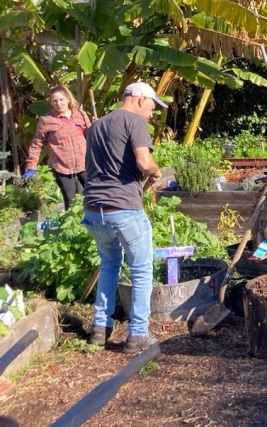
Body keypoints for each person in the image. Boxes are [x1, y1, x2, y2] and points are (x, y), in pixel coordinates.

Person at [83, 82, 165, 354]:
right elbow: (143, 162)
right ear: (140, 99)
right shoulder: (134, 122)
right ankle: (138, 334)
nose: (152, 114)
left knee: (109, 265)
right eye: (152, 107)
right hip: (123, 209)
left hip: (94, 209)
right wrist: (155, 170)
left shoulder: (96, 126)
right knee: (141, 269)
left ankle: (99, 328)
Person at [24, 85, 91, 209]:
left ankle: (95, 225)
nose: (58, 103)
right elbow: (36, 145)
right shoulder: (46, 121)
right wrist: (31, 167)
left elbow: (92, 137)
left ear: (68, 99)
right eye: (55, 101)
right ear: (51, 102)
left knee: (94, 195)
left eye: (61, 100)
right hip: (61, 166)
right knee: (70, 201)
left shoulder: (80, 115)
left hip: (84, 163)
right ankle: (73, 227)